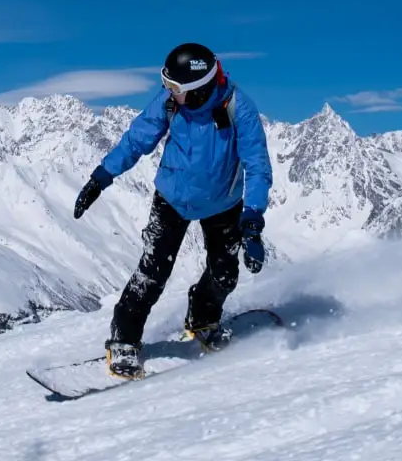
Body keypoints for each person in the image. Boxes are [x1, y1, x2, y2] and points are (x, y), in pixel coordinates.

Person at [74, 43, 272, 379]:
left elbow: (257, 165)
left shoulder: (239, 108)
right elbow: (137, 139)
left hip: (223, 203)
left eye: (175, 87)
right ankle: (124, 337)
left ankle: (203, 318)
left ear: (198, 90)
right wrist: (101, 176)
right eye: (167, 84)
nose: (168, 92)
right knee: (153, 272)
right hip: (172, 198)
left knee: (225, 273)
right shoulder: (170, 105)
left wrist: (252, 219)